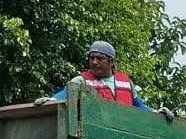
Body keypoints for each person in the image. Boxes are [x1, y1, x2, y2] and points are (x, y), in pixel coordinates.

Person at [34, 40, 174, 120]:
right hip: (97, 136)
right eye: (91, 58)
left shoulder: (126, 82)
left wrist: (157, 113)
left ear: (111, 61)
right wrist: (51, 100)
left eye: (99, 58)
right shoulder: (82, 80)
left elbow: (139, 106)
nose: (94, 62)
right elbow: (65, 93)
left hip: (126, 136)